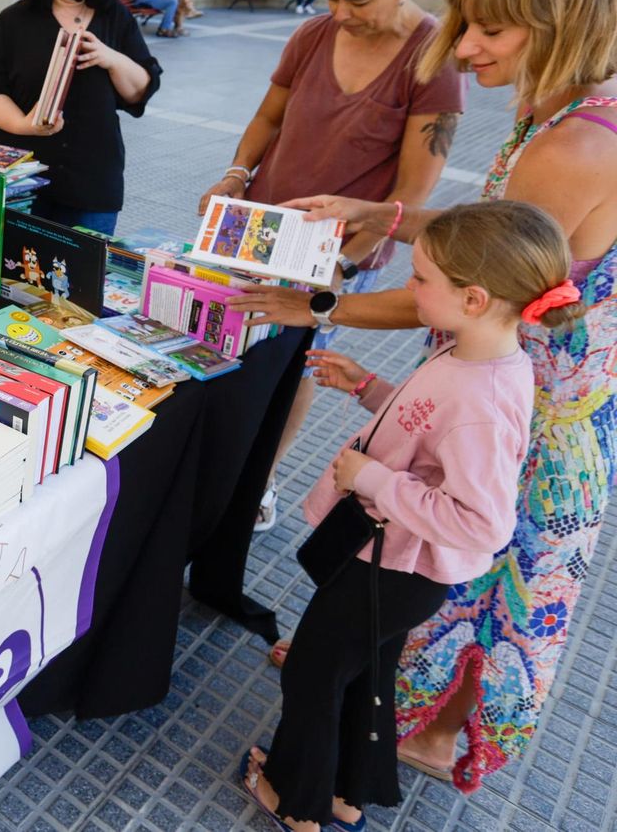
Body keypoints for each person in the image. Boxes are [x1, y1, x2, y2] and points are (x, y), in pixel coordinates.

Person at [234, 0, 617, 793]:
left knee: (475, 570)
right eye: (466, 21)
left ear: (562, 21)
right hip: (531, 388)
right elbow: (501, 235)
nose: (467, 46)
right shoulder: (561, 113)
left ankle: (423, 731)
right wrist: (395, 218)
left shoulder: (574, 142)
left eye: (492, 28)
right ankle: (374, 677)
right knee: (444, 565)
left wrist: (319, 303)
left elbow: (486, 280)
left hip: (532, 405)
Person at [242, 200, 575, 832]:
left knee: (315, 669)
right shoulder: (478, 356)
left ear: (474, 298)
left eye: (420, 280)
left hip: (399, 566)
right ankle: (346, 791)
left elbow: (483, 523)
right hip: (391, 560)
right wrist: (369, 388)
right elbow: (433, 429)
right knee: (365, 670)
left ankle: (297, 801)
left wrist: (373, 479)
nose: (409, 290)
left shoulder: (485, 398)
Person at [198, 0, 463, 536]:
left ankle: (259, 480)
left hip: (341, 256)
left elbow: (406, 201)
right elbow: (268, 120)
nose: (342, 13)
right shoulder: (311, 36)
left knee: (299, 367)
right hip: (259, 230)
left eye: (360, 0)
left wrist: (336, 270)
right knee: (225, 342)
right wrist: (235, 175)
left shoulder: (434, 60)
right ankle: (217, 463)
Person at [0, 0, 161, 235]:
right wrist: (24, 124)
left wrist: (111, 58)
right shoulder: (16, 20)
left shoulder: (115, 17)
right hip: (18, 180)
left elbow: (141, 89)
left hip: (92, 183)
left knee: (80, 282)